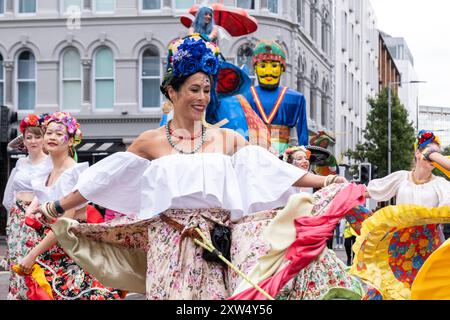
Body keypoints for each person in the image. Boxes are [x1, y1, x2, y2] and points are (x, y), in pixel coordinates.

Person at [31, 36, 351, 300]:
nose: (202, 98)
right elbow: (102, 180)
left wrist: (325, 182)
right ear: (172, 91)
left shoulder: (226, 138)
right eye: (194, 89)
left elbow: (270, 170)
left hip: (215, 246)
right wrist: (57, 205)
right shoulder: (150, 142)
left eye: (207, 90)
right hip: (168, 245)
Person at [16, 112, 121, 300]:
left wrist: (32, 255)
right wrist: (32, 208)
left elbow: (63, 225)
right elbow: (43, 194)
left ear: (71, 140)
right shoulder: (47, 169)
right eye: (48, 132)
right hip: (50, 252)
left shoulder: (72, 173)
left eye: (59, 133)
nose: (52, 137)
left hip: (72, 254)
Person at [350, 130, 450, 299]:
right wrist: (345, 192)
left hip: (427, 248)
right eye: (429, 152)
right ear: (418, 153)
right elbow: (371, 191)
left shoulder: (440, 184)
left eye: (438, 155)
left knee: (423, 291)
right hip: (399, 247)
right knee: (387, 291)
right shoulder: (401, 178)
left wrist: (434, 155)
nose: (434, 157)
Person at [1, 114, 52, 300]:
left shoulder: (51, 163)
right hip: (17, 218)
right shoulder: (20, 163)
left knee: (35, 260)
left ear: (44, 138)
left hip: (39, 216)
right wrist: (12, 219)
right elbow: (9, 196)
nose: (33, 141)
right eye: (29, 137)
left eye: (37, 136)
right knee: (16, 259)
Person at [242, 41, 309, 156]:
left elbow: (303, 133)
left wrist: (304, 153)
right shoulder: (244, 96)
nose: (268, 72)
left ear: (282, 68)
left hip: (280, 156)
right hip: (253, 154)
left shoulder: (296, 99)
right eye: (263, 66)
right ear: (255, 68)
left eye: (274, 66)